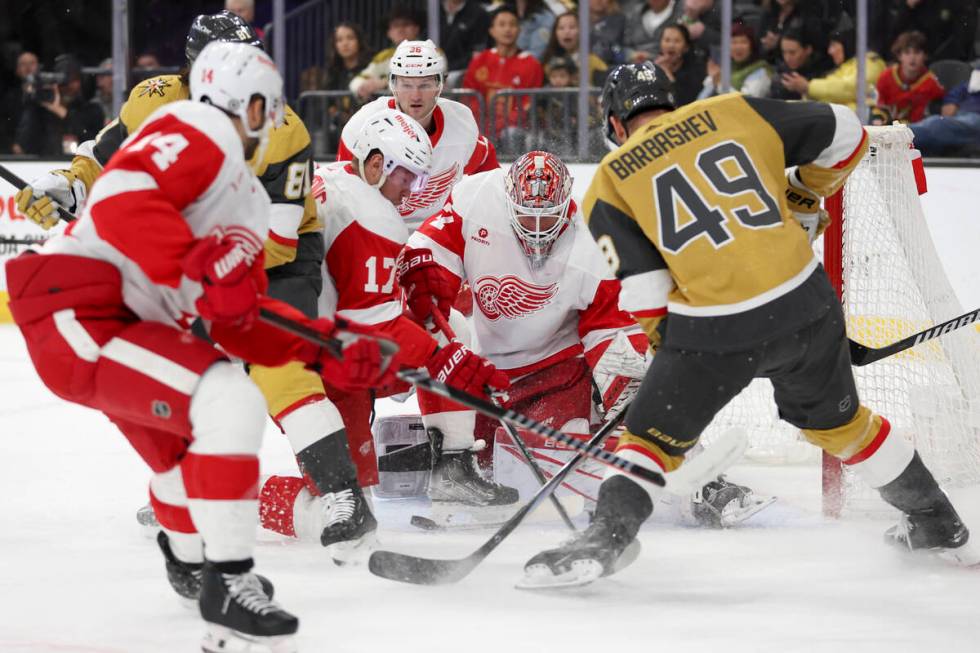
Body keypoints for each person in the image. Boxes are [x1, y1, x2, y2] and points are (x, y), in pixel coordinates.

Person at [519, 61, 976, 589]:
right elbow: (849, 134)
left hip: (713, 333)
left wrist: (669, 384)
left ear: (616, 126)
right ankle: (938, 522)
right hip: (809, 302)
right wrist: (806, 190)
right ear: (674, 99)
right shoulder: (733, 111)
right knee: (841, 426)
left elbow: (650, 301)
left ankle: (605, 539)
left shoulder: (608, 185)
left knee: (646, 438)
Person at [3, 40, 384, 651]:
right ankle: (227, 583)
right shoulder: (192, 125)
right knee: (230, 400)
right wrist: (192, 260)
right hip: (76, 306)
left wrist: (324, 342)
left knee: (183, 463)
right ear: (237, 102)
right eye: (265, 105)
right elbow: (127, 205)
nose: (275, 119)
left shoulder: (247, 198)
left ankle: (188, 560)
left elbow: (238, 325)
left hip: (131, 327)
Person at [399, 149, 772, 525]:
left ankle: (700, 482)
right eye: (528, 216)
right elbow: (423, 267)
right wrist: (431, 303)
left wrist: (627, 390)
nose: (538, 229)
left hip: (556, 374)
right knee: (433, 332)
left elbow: (609, 336)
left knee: (585, 428)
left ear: (568, 204)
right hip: (480, 373)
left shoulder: (593, 243)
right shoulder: (476, 198)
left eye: (550, 217)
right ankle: (451, 468)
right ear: (508, 199)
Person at [259, 108, 514, 554]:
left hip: (305, 347)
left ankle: (451, 466)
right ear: (376, 165)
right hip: (308, 369)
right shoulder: (371, 214)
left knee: (445, 329)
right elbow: (370, 323)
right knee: (346, 511)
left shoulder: (337, 175)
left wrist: (404, 279)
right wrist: (443, 360)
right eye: (407, 178)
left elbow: (349, 288)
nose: (412, 193)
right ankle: (216, 494)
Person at [339, 39, 500, 231]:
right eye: (406, 85)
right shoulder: (362, 125)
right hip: (377, 231)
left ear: (440, 85)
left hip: (437, 235)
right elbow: (343, 193)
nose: (415, 96)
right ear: (393, 85)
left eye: (424, 85)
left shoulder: (461, 122)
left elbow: (489, 178)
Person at [463, 5, 545, 148]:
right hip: (482, 128)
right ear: (492, 31)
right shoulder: (480, 60)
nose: (507, 29)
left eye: (512, 24)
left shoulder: (532, 64)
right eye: (502, 24)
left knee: (513, 134)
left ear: (519, 29)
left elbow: (527, 103)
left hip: (513, 131)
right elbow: (470, 98)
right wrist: (484, 126)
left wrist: (499, 127)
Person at [13, 54, 104, 156]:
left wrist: (63, 113)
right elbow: (23, 145)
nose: (69, 86)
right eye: (65, 82)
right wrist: (34, 101)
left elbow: (94, 144)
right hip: (44, 166)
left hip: (79, 166)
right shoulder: (41, 111)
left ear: (82, 81)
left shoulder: (92, 110)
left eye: (74, 80)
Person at [781, 26, 885, 111]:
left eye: (834, 46)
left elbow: (850, 88)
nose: (830, 51)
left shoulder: (871, 62)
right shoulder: (841, 70)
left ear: (847, 44)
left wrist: (808, 87)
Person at [349, 4, 422, 101]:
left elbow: (423, 81)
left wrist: (383, 83)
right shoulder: (383, 56)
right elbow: (357, 80)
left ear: (416, 29)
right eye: (395, 26)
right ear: (389, 32)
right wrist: (362, 87)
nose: (400, 29)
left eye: (406, 24)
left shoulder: (433, 52)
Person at [874, 30, 945, 125]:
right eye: (907, 53)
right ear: (899, 56)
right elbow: (877, 105)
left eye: (917, 52)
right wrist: (879, 119)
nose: (912, 58)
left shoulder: (931, 83)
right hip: (886, 129)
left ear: (925, 55)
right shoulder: (886, 76)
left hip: (916, 132)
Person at [910, 62, 980, 156]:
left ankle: (899, 136)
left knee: (936, 124)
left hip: (975, 118)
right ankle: (897, 136)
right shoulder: (968, 86)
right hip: (958, 119)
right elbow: (948, 109)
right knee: (933, 137)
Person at [698, 23, 771, 100]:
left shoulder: (761, 71)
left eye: (743, 42)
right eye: (734, 42)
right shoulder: (726, 68)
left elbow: (747, 102)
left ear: (752, 46)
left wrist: (719, 83)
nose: (738, 47)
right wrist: (714, 78)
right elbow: (701, 99)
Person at [541, 11, 609, 86]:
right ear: (555, 33)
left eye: (572, 27)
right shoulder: (548, 64)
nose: (566, 32)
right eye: (561, 28)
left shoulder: (594, 62)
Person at [654, 22, 705, 106]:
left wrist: (668, 75)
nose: (671, 45)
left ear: (686, 47)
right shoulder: (651, 69)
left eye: (677, 41)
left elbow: (683, 103)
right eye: (667, 40)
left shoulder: (695, 71)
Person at [770, 30, 827, 101]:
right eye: (784, 52)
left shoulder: (823, 73)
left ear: (808, 50)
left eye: (792, 53)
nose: (787, 58)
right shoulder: (780, 73)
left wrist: (806, 88)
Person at [440, 0, 491, 74]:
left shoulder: (479, 14)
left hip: (461, 72)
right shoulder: (432, 9)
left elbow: (478, 52)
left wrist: (450, 70)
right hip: (431, 70)